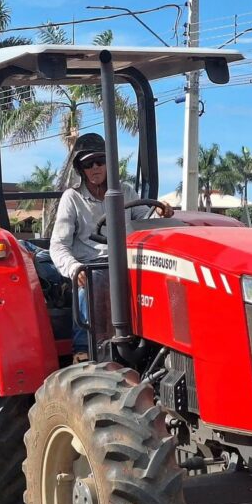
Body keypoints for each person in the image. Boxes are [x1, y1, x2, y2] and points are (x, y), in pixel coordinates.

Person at [49, 133, 173, 361]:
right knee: (92, 279)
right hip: (92, 265)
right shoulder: (73, 198)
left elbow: (143, 217)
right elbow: (58, 246)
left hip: (127, 261)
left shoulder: (124, 191)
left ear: (108, 164)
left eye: (100, 161)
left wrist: (159, 211)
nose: (95, 167)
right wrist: (74, 268)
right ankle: (85, 349)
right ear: (81, 168)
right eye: (88, 164)